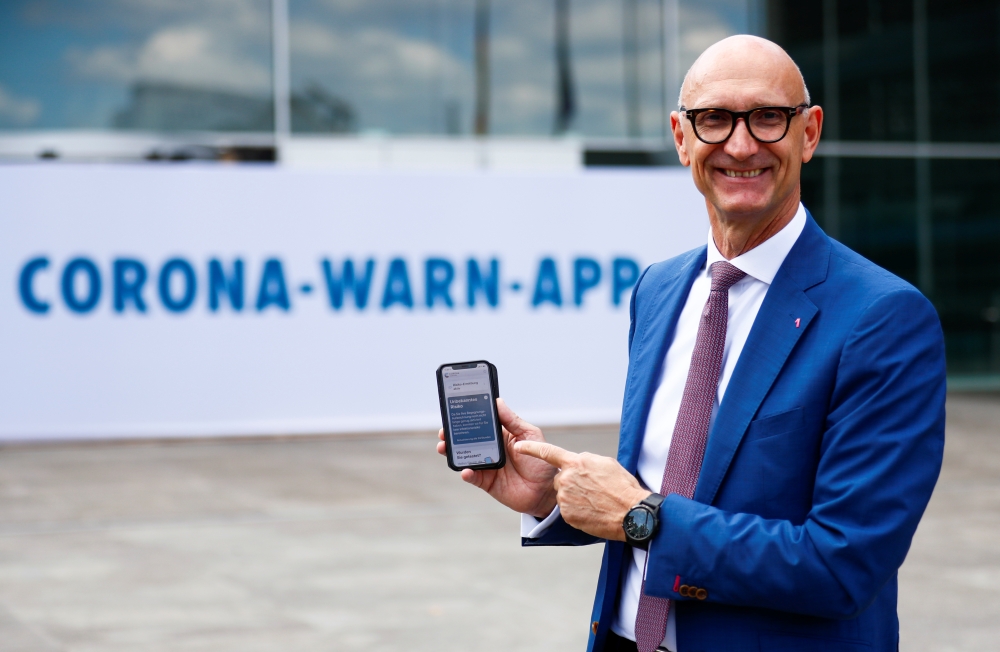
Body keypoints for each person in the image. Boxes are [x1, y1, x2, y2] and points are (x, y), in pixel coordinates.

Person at [436, 35, 945, 652]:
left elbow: (843, 564)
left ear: (808, 133)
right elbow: (662, 489)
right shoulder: (658, 289)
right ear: (682, 138)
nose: (740, 144)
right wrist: (553, 496)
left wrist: (639, 517)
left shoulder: (883, 317)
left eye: (767, 118)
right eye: (714, 120)